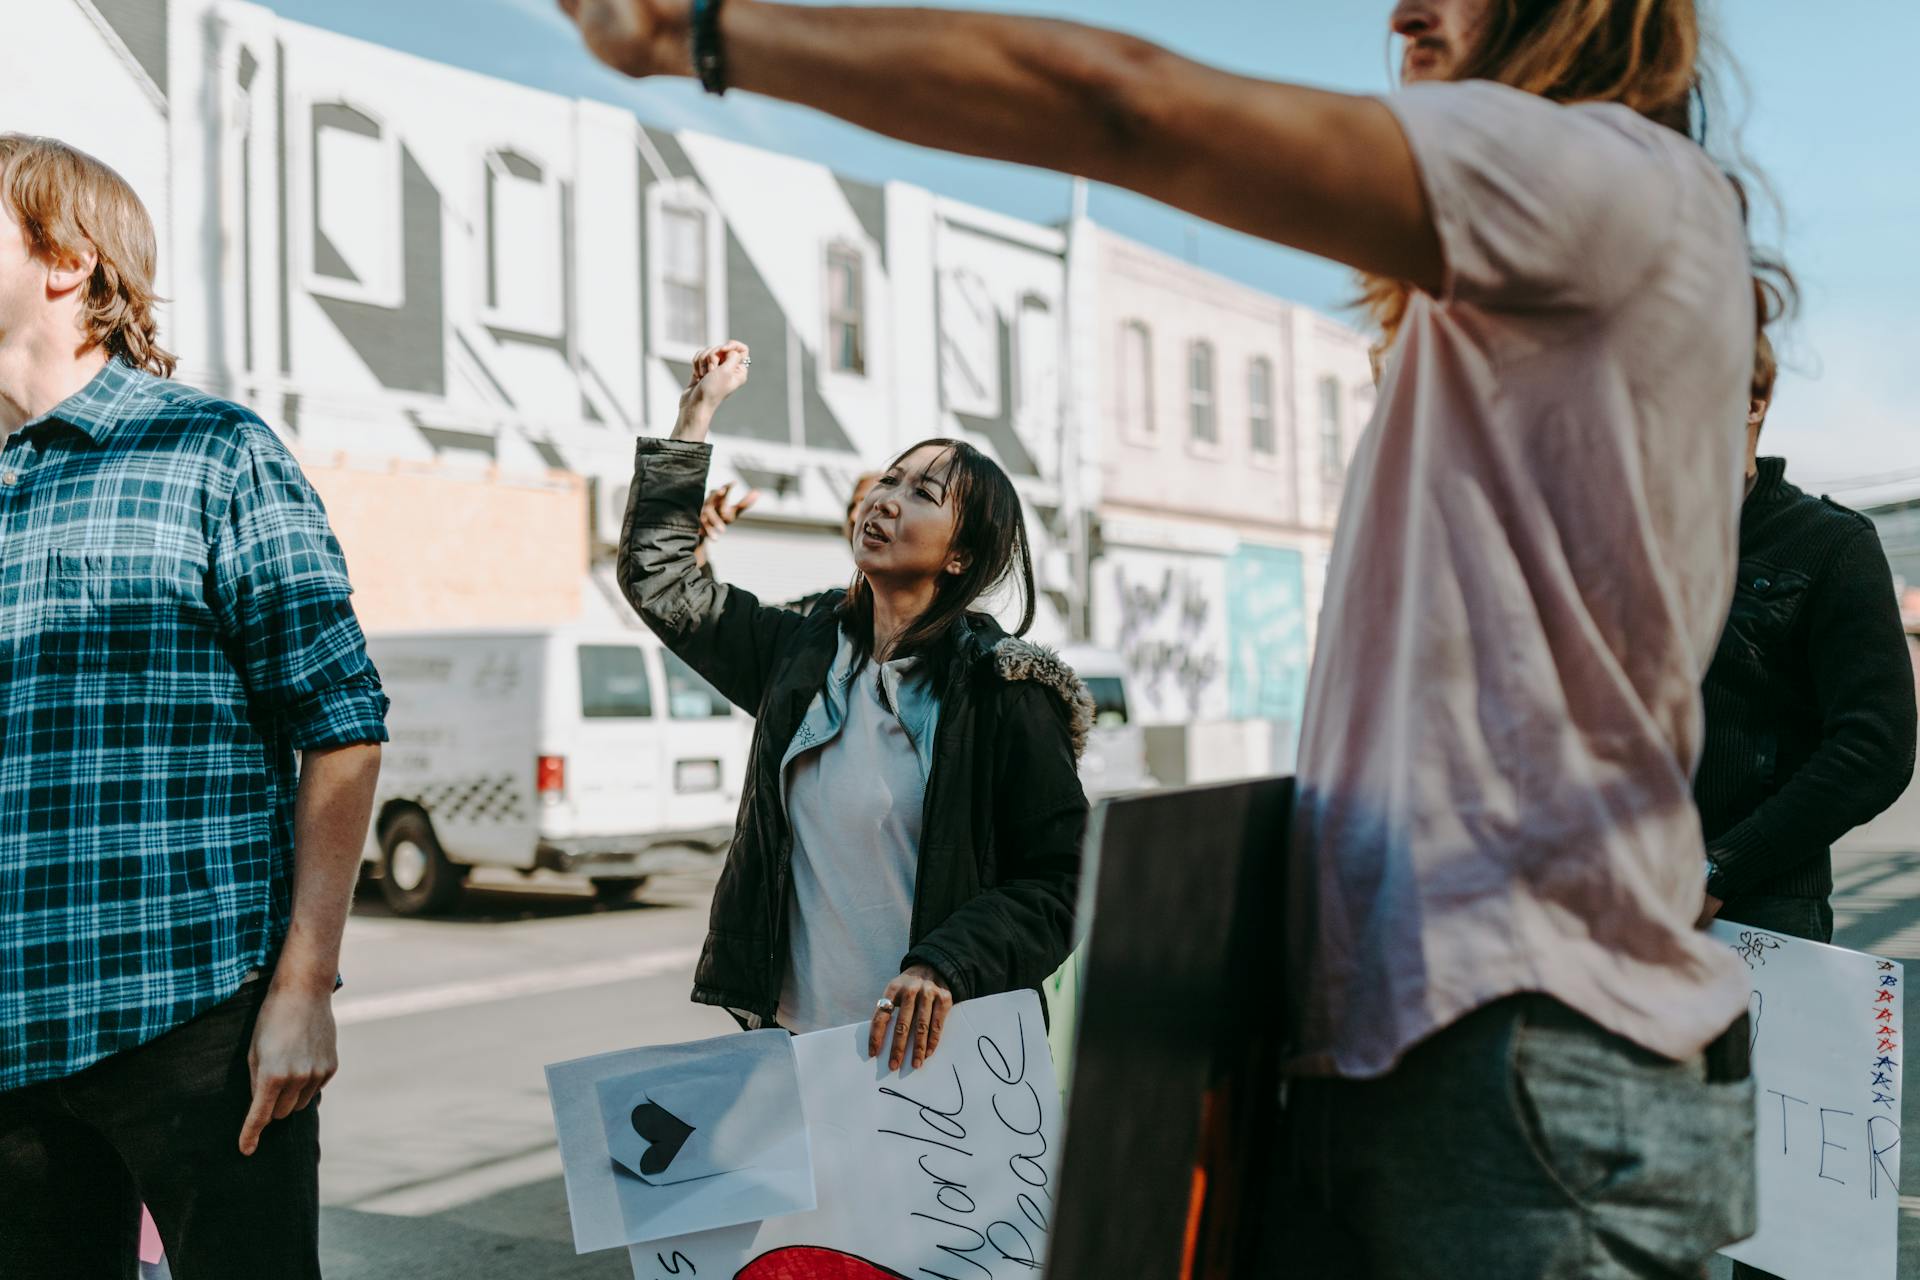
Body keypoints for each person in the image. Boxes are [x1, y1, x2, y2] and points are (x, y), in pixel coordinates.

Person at [561, 0, 1787, 1272]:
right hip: (1409, 1053)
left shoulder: (1609, 179)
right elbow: (668, 585)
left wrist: (695, 32)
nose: (1402, 11)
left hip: (1524, 1059)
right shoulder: (810, 651)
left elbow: (1121, 104)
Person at [0, 135, 387, 1279]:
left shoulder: (211, 452)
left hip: (197, 1023)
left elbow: (342, 717)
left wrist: (304, 986)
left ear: (68, 261)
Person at [620, 339, 1091, 1069]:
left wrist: (946, 965)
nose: (887, 500)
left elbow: (1062, 879)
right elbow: (662, 581)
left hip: (944, 1064)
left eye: (923, 496)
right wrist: (696, 411)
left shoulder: (1003, 693)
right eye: (890, 481)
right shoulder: (801, 655)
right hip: (801, 1045)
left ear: (960, 556)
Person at [1697, 334, 1915, 1280]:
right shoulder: (1614, 549)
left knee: (1777, 1232)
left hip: (1762, 925)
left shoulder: (1829, 545)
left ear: (1753, 401)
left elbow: (1874, 749)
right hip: (1613, 923)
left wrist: (1718, 866)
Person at [695, 468, 884, 616]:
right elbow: (729, 624)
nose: (853, 517)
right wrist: (696, 538)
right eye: (852, 506)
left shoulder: (912, 630)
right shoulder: (827, 613)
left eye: (868, 504)